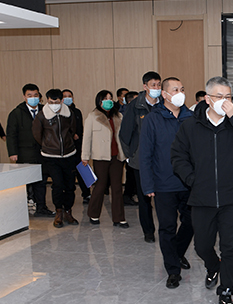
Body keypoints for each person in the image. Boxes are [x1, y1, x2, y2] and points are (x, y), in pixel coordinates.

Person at [171, 76, 233, 304]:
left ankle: (226, 292)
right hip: (202, 198)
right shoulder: (190, 126)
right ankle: (213, 266)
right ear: (208, 99)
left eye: (228, 97)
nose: (225, 101)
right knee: (202, 246)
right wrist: (192, 180)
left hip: (232, 199)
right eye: (220, 97)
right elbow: (178, 156)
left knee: (230, 248)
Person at [140, 77, 194, 289]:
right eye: (175, 89)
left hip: (188, 183)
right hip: (163, 184)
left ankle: (177, 253)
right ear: (164, 94)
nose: (180, 93)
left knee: (192, 222)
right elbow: (145, 154)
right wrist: (148, 185)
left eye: (182, 89)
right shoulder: (152, 119)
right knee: (167, 227)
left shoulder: (191, 118)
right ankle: (172, 270)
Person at [120, 71, 161, 243]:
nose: (157, 88)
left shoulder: (164, 104)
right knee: (144, 199)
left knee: (163, 198)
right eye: (153, 85)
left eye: (158, 85)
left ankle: (166, 230)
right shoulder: (134, 106)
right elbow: (125, 134)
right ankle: (148, 231)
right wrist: (130, 156)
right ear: (145, 86)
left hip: (161, 160)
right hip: (140, 160)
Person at [32, 89, 79, 228]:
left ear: (61, 101)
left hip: (69, 155)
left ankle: (68, 211)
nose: (54, 105)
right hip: (51, 157)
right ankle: (59, 212)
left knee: (70, 186)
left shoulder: (69, 113)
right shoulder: (42, 116)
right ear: (47, 100)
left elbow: (72, 130)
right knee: (58, 185)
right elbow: (37, 134)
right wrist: (48, 145)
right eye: (51, 102)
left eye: (56, 102)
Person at [7, 83, 55, 217]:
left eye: (35, 95)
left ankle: (41, 207)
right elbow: (11, 134)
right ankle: (22, 208)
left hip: (43, 152)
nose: (33, 98)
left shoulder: (45, 110)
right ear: (24, 97)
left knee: (41, 181)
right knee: (25, 182)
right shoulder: (16, 113)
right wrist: (13, 152)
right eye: (30, 95)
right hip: (25, 153)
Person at [82, 90, 127, 228]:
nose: (109, 101)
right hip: (100, 157)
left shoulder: (118, 116)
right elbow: (87, 138)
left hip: (117, 156)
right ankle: (93, 214)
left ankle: (119, 218)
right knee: (100, 186)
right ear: (99, 101)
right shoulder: (92, 116)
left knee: (117, 187)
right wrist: (85, 156)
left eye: (110, 98)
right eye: (105, 98)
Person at [62, 89, 91, 204]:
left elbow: (80, 127)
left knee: (83, 170)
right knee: (69, 173)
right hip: (66, 148)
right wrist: (71, 134)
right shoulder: (60, 112)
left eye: (69, 96)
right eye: (65, 96)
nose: (67, 98)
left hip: (78, 146)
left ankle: (87, 194)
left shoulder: (77, 112)